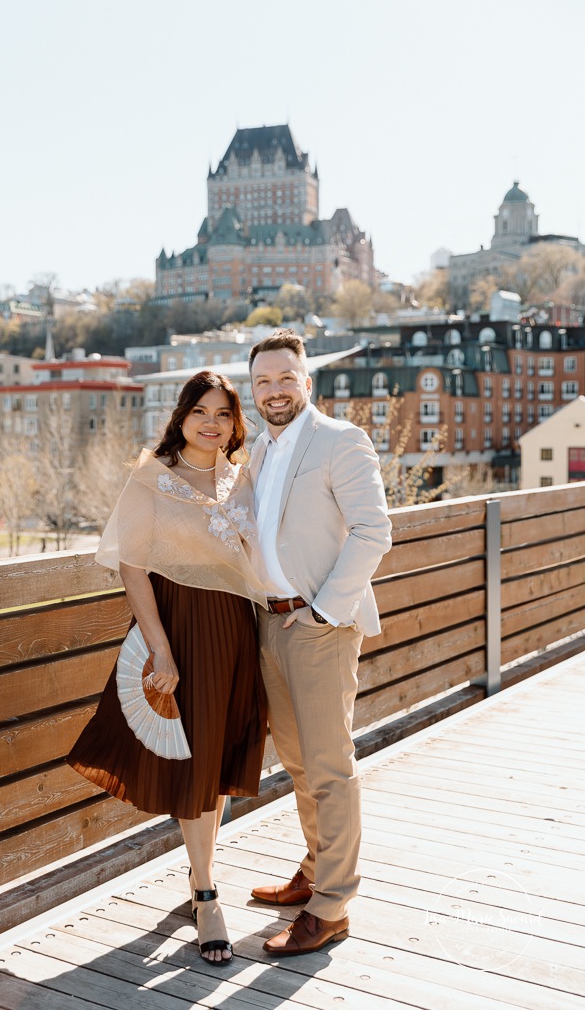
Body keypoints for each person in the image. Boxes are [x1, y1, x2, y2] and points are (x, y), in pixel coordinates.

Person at [67, 371, 268, 966]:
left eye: (224, 413)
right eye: (201, 411)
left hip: (236, 630)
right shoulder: (152, 477)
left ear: (235, 423)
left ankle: (202, 872)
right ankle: (206, 893)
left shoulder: (241, 478)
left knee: (219, 757)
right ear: (181, 416)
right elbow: (132, 568)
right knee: (195, 759)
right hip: (180, 627)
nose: (212, 423)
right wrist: (161, 648)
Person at [246, 329, 392, 957]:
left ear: (306, 382)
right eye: (263, 381)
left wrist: (325, 612)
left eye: (286, 378)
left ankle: (332, 906)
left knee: (328, 764)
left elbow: (373, 531)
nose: (275, 390)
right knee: (298, 761)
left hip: (319, 627)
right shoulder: (258, 450)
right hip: (269, 623)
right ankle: (315, 869)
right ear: (253, 391)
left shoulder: (340, 440)